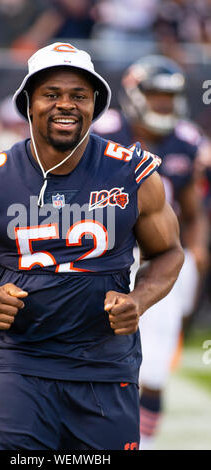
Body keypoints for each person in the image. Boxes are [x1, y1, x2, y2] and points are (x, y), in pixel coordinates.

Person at [0, 42, 184, 450]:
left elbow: (169, 251)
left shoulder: (132, 171)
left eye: (78, 96)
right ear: (28, 103)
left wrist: (140, 299)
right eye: (51, 94)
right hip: (18, 364)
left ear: (94, 104)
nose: (66, 105)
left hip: (104, 365)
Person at [92, 54, 209, 450]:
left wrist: (196, 249)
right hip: (108, 257)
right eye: (155, 95)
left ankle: (144, 443)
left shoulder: (187, 141)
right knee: (96, 354)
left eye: (169, 96)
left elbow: (193, 209)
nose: (163, 104)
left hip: (163, 259)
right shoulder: (104, 133)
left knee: (155, 363)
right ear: (134, 94)